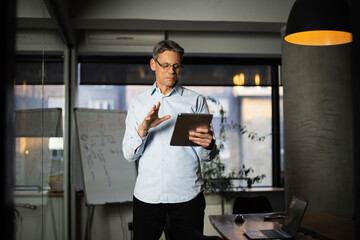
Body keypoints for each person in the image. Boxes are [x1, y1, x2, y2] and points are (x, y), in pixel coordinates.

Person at [122, 39, 217, 240]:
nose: (171, 71)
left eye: (176, 66)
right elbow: (129, 155)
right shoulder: (138, 102)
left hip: (187, 198)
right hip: (147, 198)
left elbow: (205, 155)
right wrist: (143, 130)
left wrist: (209, 144)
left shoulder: (195, 100)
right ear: (153, 64)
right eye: (165, 65)